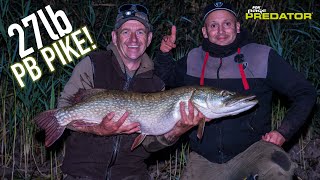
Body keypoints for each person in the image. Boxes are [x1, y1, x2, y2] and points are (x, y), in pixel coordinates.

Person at [155, 1, 317, 180]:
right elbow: (166, 80)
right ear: (205, 32)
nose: (221, 31)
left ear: (237, 27)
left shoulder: (262, 56)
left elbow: (305, 92)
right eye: (213, 25)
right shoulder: (193, 59)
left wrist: (283, 132)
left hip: (253, 151)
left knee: (279, 168)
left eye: (227, 24)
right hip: (205, 158)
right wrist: (164, 54)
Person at [57, 4, 204, 180]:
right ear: (114, 37)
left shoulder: (156, 84)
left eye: (140, 32)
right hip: (83, 173)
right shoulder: (93, 64)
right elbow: (64, 111)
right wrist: (98, 129)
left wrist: (177, 130)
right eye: (126, 32)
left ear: (149, 39)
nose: (133, 39)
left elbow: (151, 143)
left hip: (131, 174)